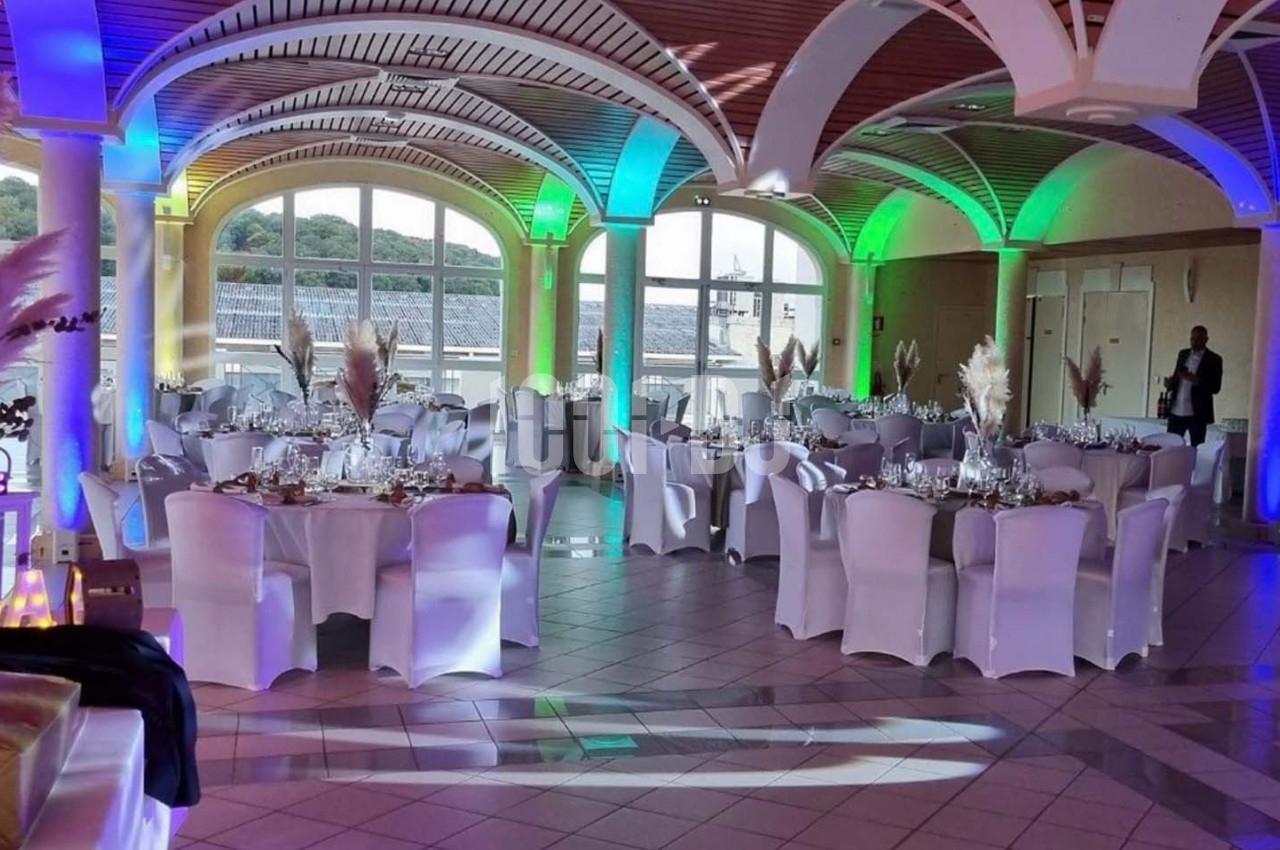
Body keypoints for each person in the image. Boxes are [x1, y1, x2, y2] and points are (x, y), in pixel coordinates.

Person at [1165, 325, 1222, 446]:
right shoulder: (1183, 354)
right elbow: (1177, 376)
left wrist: (1197, 381)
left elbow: (1216, 387)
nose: (1194, 342)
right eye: (1192, 339)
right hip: (1176, 410)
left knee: (1197, 447)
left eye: (1198, 339)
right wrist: (1170, 384)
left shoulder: (1214, 359)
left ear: (1206, 339)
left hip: (1198, 412)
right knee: (1170, 446)